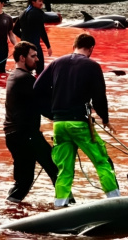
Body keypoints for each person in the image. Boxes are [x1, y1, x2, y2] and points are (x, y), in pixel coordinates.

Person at [34, 33, 120, 207]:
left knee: (64, 168)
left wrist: (51, 113)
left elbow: (36, 88)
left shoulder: (56, 63)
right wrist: (105, 118)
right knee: (101, 161)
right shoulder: (92, 66)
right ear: (91, 49)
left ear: (73, 45)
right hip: (79, 123)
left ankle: (60, 204)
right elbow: (99, 97)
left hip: (59, 124)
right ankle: (116, 201)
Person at [4, 41, 58, 203]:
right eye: (33, 56)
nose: (37, 59)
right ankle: (68, 207)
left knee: (24, 181)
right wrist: (64, 116)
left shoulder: (14, 75)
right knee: (56, 169)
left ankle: (10, 208)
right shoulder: (25, 79)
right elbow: (44, 106)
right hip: (26, 135)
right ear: (22, 58)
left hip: (14, 135)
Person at [13, 0, 52, 75]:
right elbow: (42, 31)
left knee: (24, 71)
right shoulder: (38, 13)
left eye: (42, 1)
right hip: (35, 47)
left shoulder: (22, 13)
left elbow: (14, 30)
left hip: (23, 47)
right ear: (33, 2)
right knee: (40, 72)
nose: (42, 3)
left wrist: (23, 38)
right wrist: (48, 46)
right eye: (40, 1)